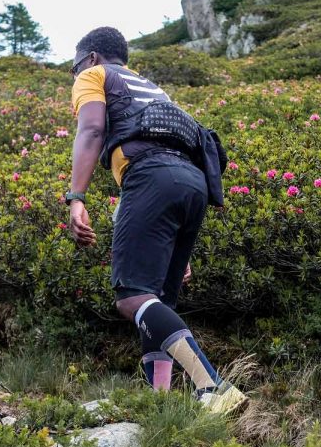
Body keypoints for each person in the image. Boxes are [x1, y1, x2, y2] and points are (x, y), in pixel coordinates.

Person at [67, 26, 246, 413]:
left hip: (151, 176)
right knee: (156, 299)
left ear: (93, 58)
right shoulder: (152, 89)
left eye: (75, 65)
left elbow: (92, 129)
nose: (75, 74)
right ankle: (160, 405)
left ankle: (212, 386)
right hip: (192, 185)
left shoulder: (94, 76)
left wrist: (76, 197)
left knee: (132, 296)